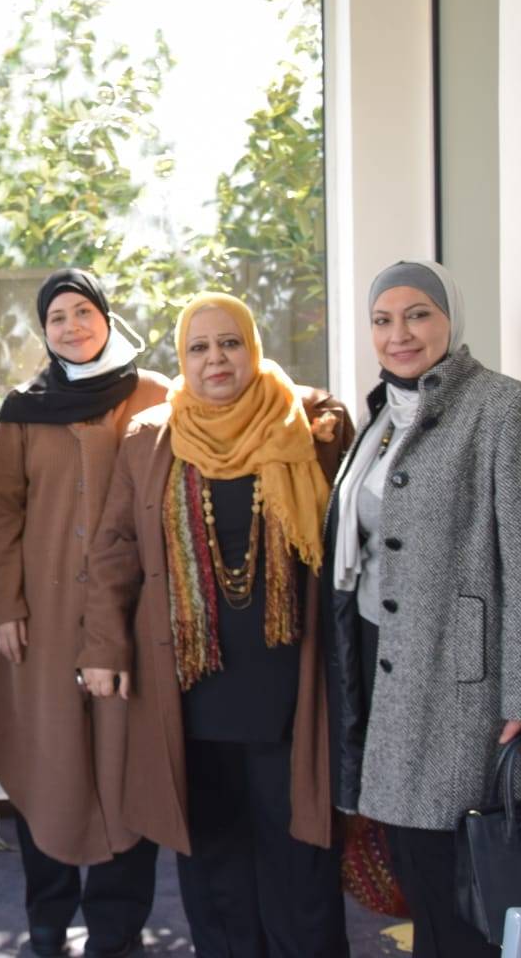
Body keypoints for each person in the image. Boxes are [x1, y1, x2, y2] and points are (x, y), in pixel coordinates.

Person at [82, 291, 355, 957]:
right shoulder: (150, 438)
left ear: (253, 347)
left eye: (229, 342)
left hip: (291, 688)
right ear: (182, 358)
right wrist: (105, 647)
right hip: (193, 690)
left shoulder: (312, 425)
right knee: (214, 870)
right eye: (198, 347)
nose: (215, 359)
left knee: (301, 870)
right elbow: (115, 549)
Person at [324, 261, 521, 958]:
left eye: (418, 315)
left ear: (450, 320)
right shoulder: (382, 415)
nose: (399, 334)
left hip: (467, 686)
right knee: (421, 873)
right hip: (390, 676)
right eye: (383, 320)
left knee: (471, 887)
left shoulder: (507, 408)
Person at [0, 269, 168, 958]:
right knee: (48, 766)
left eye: (82, 311)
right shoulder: (24, 408)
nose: (71, 327)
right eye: (56, 317)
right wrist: (5, 606)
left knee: (129, 765)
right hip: (46, 622)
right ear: (45, 331)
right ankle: (48, 920)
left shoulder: (156, 396)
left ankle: (117, 929)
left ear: (107, 317)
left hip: (133, 619)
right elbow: (1, 513)